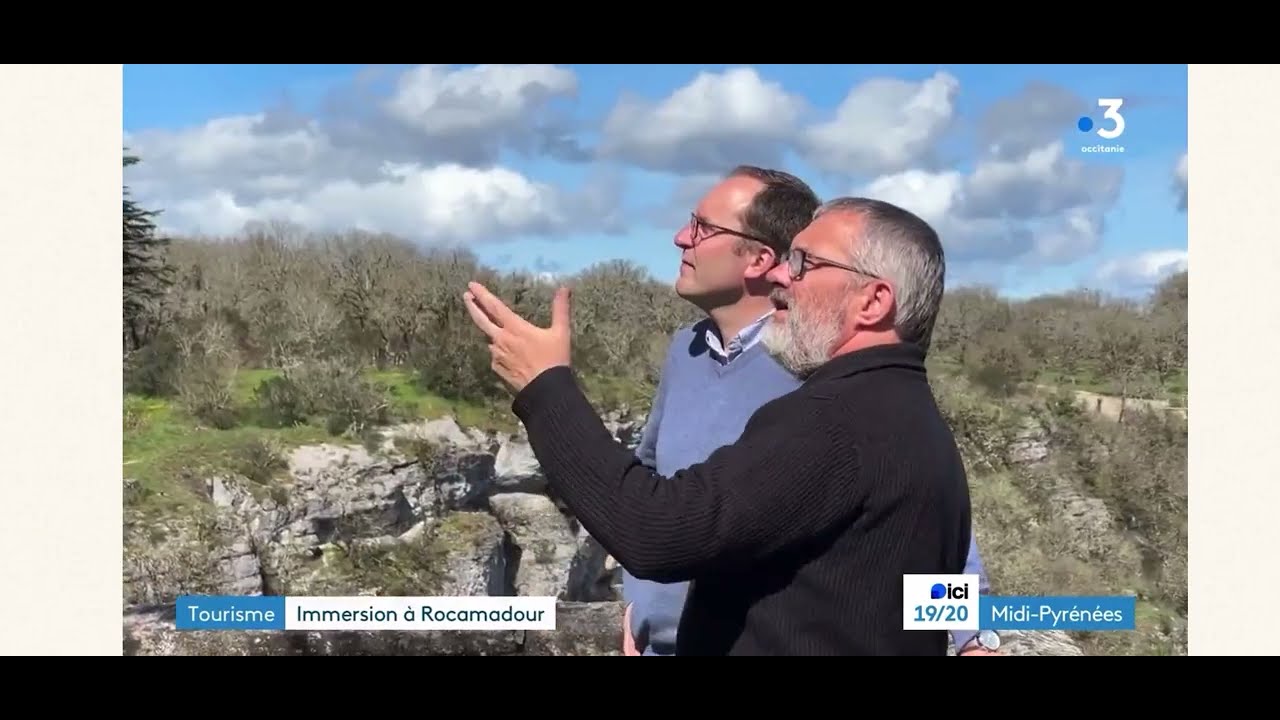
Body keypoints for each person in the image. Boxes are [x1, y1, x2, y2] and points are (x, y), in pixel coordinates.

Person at [462, 195, 983, 656]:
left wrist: (545, 386)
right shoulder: (910, 415)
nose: (782, 273)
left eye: (804, 263)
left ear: (873, 301)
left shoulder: (837, 420)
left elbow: (655, 530)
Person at [619, 167, 996, 657]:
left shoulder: (819, 372)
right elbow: (651, 475)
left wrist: (974, 637)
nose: (680, 238)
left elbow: (921, 521)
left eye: (704, 227)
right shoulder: (683, 350)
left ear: (759, 258)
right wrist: (640, 613)